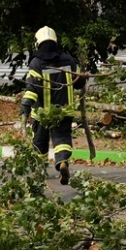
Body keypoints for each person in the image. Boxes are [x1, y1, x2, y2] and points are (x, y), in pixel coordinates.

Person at [22, 26, 84, 186]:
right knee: (62, 138)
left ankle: (40, 170)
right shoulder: (68, 60)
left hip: (43, 113)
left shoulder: (36, 63)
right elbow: (79, 83)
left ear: (38, 43)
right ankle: (62, 161)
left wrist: (26, 106)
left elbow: (32, 89)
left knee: (40, 142)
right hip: (64, 110)